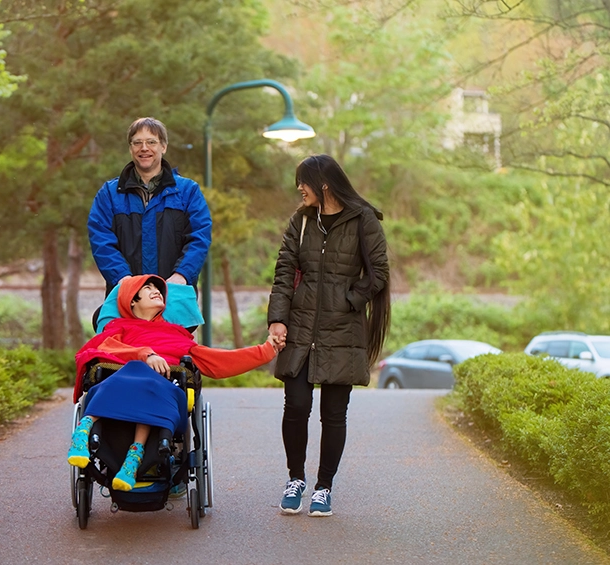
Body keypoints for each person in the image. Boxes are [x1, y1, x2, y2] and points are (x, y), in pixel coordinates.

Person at [68, 275, 280, 491]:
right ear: (132, 300)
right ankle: (100, 438)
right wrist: (145, 354)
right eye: (147, 287)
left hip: (164, 395)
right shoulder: (118, 328)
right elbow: (101, 350)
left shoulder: (176, 334)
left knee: (150, 378)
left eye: (158, 288)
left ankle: (127, 451)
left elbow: (219, 360)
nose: (157, 290)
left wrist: (265, 351)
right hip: (123, 390)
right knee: (137, 369)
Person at [267, 154, 391, 517]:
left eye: (303, 182)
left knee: (334, 414)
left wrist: (349, 301)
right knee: (296, 406)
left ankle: (324, 487)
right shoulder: (301, 221)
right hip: (301, 326)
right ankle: (295, 479)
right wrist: (278, 319)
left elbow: (378, 271)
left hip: (343, 329)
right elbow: (284, 270)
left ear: (322, 184)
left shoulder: (363, 219)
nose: (299, 189)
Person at [88, 117, 212, 295]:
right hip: (126, 298)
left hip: (174, 297)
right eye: (137, 142)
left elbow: (199, 238)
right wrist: (124, 279)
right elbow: (101, 240)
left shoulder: (188, 192)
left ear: (163, 146)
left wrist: (181, 275)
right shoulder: (109, 194)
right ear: (131, 148)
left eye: (151, 142)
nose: (144, 148)